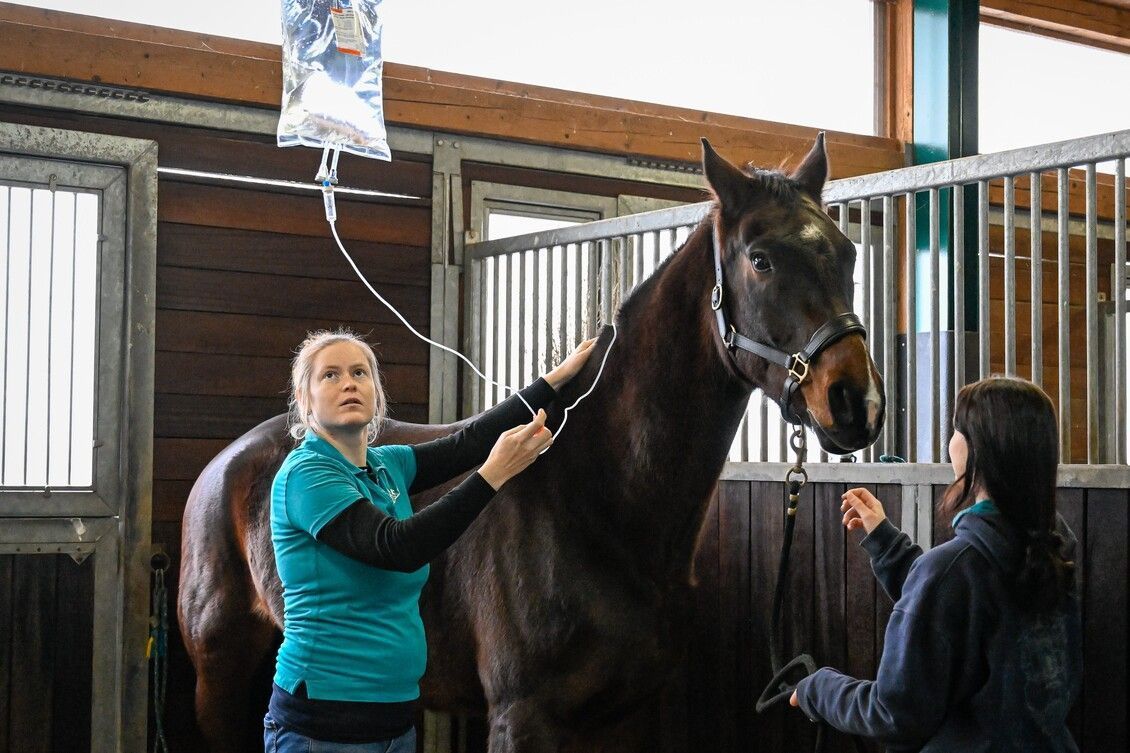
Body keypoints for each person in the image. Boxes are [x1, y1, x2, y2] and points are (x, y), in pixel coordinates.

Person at [264, 329, 596, 752]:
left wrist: (554, 381)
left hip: (394, 723)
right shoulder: (307, 475)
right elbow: (398, 546)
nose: (348, 383)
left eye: (359, 373)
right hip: (323, 728)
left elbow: (470, 441)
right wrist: (494, 474)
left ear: (376, 391)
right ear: (304, 397)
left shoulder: (387, 466)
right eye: (330, 375)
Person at [790, 376, 1082, 752]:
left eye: (958, 430)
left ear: (978, 450)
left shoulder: (955, 571)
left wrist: (819, 688)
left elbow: (893, 714)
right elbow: (956, 604)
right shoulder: (1055, 549)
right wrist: (885, 541)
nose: (951, 442)